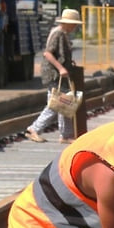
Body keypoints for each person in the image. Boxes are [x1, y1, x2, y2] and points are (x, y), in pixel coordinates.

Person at [26, 9, 82, 144]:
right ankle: (34, 129)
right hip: (54, 74)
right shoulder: (58, 34)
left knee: (64, 102)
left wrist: (68, 62)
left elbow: (59, 54)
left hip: (57, 73)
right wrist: (61, 68)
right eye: (73, 24)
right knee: (56, 104)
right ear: (66, 23)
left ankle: (66, 135)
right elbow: (48, 54)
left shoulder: (62, 33)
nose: (75, 27)